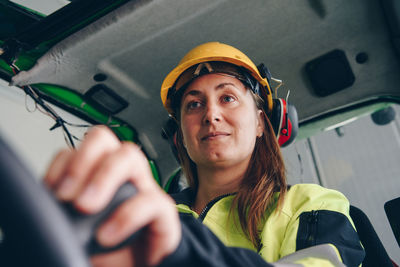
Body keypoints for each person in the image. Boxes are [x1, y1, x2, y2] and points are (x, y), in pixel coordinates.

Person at [44, 42, 365, 267]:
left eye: (227, 98)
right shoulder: (143, 212)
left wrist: (185, 253)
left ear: (260, 123)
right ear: (180, 136)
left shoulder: (311, 204)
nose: (210, 114)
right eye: (194, 104)